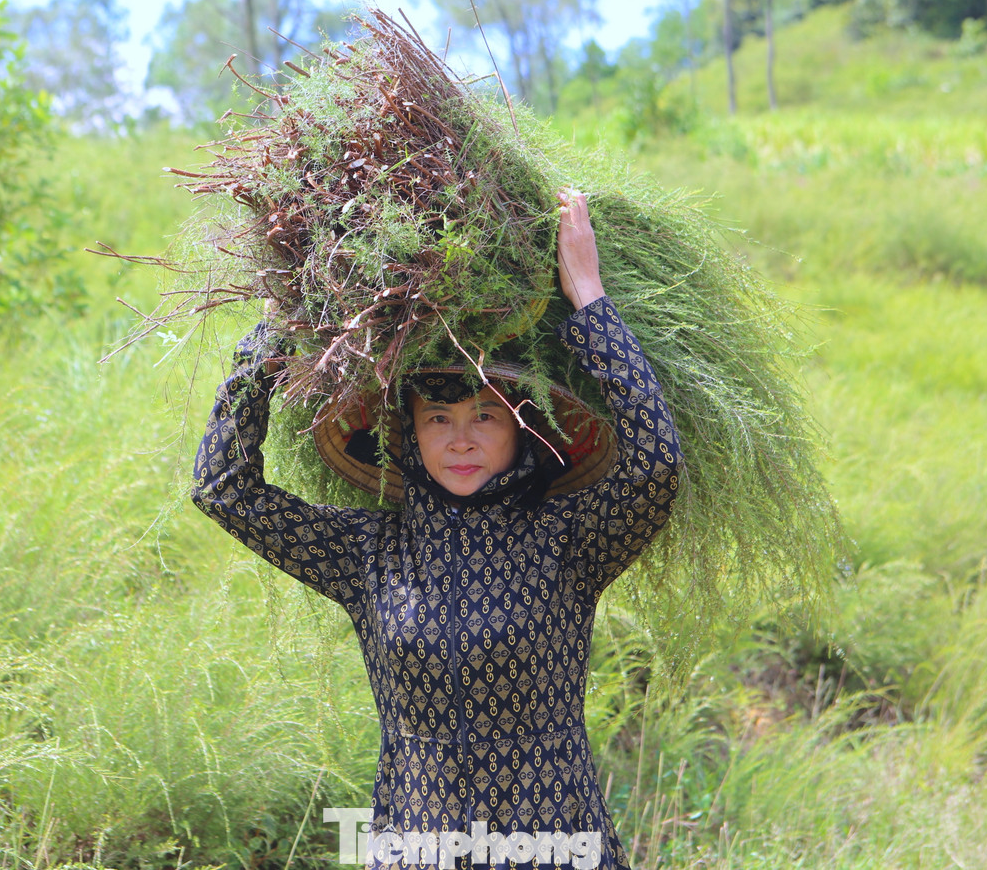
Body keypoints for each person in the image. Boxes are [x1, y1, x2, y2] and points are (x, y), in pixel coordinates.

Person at [192, 190, 684, 870]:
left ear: (525, 429)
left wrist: (591, 300)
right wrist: (272, 335)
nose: (460, 440)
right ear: (407, 434)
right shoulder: (365, 552)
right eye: (438, 418)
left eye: (484, 416)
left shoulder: (570, 539)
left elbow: (657, 464)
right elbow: (222, 488)